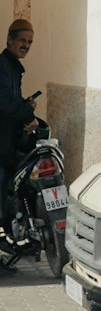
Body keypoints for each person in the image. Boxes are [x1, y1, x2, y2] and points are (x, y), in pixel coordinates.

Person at [0, 19, 38, 254]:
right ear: (9, 40)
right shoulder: (2, 66)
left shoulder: (13, 68)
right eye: (22, 40)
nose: (26, 45)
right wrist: (27, 110)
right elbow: (4, 103)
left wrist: (26, 115)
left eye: (30, 42)